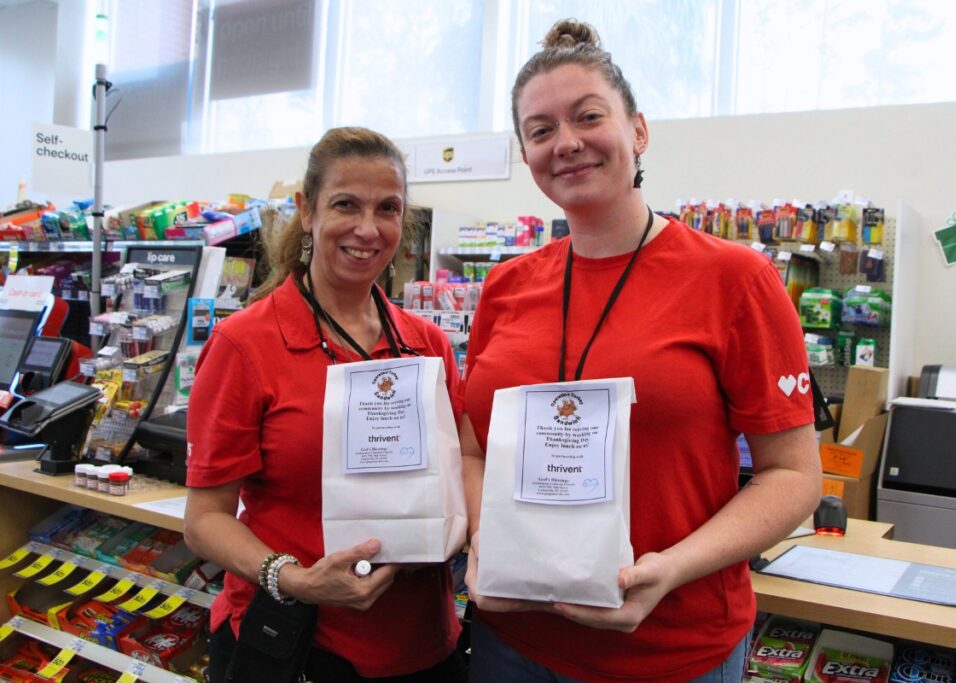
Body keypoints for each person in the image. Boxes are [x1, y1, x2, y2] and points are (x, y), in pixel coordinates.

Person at [459, 20, 822, 683]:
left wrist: (673, 567)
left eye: (588, 116)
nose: (565, 143)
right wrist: (487, 539)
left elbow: (794, 475)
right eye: (540, 131)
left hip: (670, 648)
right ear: (526, 154)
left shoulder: (735, 279)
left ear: (639, 130)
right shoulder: (506, 286)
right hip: (513, 640)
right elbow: (473, 449)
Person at [184, 127, 466, 682]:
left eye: (387, 208)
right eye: (345, 205)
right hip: (298, 649)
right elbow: (204, 520)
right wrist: (293, 578)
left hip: (424, 649)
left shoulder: (425, 344)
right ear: (306, 211)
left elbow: (461, 476)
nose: (367, 228)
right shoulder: (246, 344)